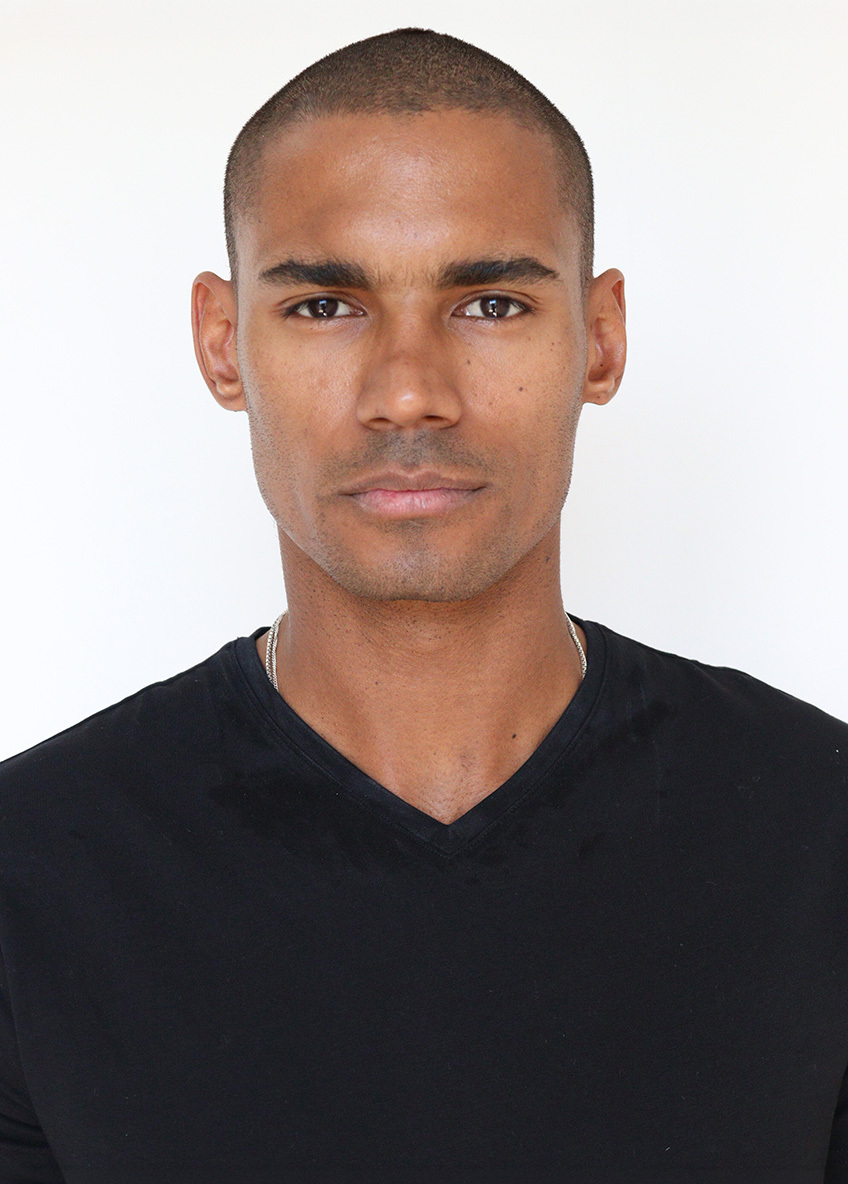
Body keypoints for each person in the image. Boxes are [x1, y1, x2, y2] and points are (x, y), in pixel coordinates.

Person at [0, 26, 846, 1184]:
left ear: (598, 339)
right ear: (222, 342)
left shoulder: (818, 836)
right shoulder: (35, 872)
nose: (407, 391)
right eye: (323, 305)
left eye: (489, 303)